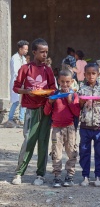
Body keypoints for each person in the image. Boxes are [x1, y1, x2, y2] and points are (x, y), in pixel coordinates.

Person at [11, 38, 57, 185]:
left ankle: (40, 175)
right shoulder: (25, 68)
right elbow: (16, 87)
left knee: (43, 142)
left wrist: (48, 94)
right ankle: (19, 173)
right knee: (29, 141)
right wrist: (27, 91)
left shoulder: (48, 70)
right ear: (34, 52)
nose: (44, 55)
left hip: (45, 109)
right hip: (31, 109)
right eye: (42, 52)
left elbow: (53, 88)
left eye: (46, 52)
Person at [43, 69, 80, 188]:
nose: (65, 85)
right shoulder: (54, 94)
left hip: (70, 128)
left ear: (72, 81)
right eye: (62, 82)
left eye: (67, 82)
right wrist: (50, 101)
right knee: (56, 152)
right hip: (56, 128)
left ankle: (70, 175)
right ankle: (57, 176)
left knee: (71, 152)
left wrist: (70, 100)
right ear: (58, 81)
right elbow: (46, 112)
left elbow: (77, 112)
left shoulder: (74, 95)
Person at [78, 63, 100, 187]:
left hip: (98, 126)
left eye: (93, 73)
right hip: (85, 125)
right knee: (84, 151)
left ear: (98, 74)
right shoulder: (81, 88)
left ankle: (98, 176)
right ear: (84, 74)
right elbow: (78, 106)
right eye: (88, 73)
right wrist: (82, 101)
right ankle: (85, 176)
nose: (91, 76)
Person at [6, 40, 29, 128]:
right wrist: (22, 80)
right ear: (20, 49)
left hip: (22, 83)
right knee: (16, 102)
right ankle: (10, 119)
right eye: (25, 49)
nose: (26, 51)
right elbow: (16, 72)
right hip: (17, 82)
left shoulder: (23, 58)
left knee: (23, 101)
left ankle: (21, 119)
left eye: (27, 49)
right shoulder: (15, 58)